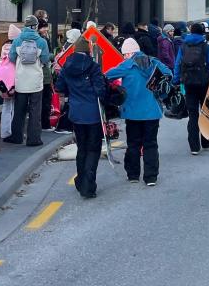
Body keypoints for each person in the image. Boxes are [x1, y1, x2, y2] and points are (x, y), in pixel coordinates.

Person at [105, 38, 172, 186]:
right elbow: (169, 74)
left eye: (124, 54)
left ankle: (133, 174)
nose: (124, 57)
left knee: (133, 143)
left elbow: (106, 76)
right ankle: (151, 177)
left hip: (132, 113)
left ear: (128, 53)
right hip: (152, 112)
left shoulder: (126, 65)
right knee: (150, 144)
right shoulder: (153, 62)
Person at [55, 36, 106, 199]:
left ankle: (81, 179)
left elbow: (59, 87)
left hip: (76, 114)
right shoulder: (93, 67)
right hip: (93, 114)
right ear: (88, 50)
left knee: (82, 148)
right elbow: (100, 91)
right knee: (93, 149)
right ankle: (88, 185)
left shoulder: (66, 66)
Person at [172, 22, 209, 154]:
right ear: (202, 33)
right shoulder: (206, 47)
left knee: (192, 115)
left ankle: (194, 147)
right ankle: (206, 142)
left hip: (188, 84)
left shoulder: (183, 46)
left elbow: (177, 64)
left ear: (190, 32)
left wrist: (176, 80)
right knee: (207, 111)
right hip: (204, 83)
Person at [4, 15, 50, 147]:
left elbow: (12, 57)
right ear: (35, 26)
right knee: (35, 111)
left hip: (21, 81)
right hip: (36, 81)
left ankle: (17, 136)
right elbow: (45, 60)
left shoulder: (18, 40)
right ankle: (34, 139)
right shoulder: (41, 42)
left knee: (19, 110)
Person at [0, 24, 20, 139]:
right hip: (13, 79)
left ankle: (4, 132)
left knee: (6, 106)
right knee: (15, 106)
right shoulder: (16, 47)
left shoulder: (4, 46)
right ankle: (13, 131)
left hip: (3, 80)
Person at [38, 19, 55, 132]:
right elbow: (45, 58)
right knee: (46, 99)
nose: (46, 29)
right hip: (44, 73)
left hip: (36, 75)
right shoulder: (42, 40)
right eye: (43, 27)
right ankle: (45, 124)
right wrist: (52, 56)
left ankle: (40, 123)